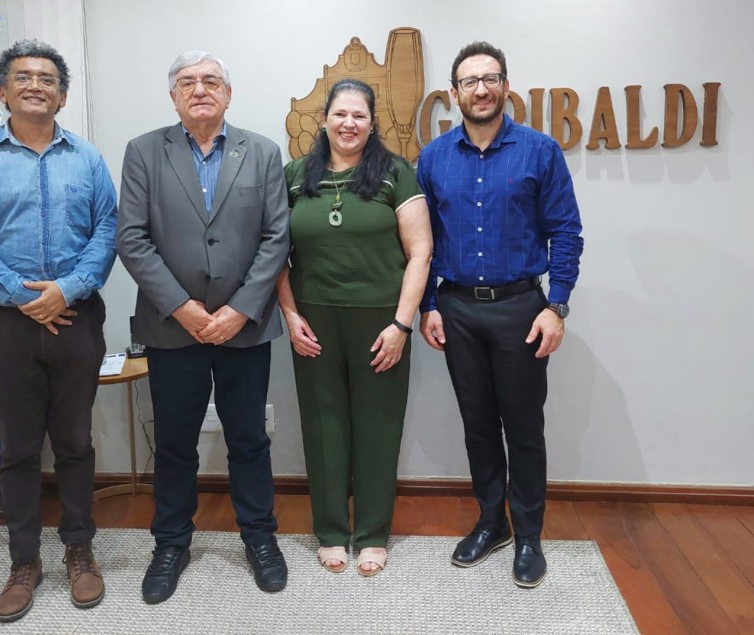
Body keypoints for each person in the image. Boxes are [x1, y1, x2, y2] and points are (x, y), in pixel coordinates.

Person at [0, 40, 117, 621]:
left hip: (76, 317)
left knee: (74, 443)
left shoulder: (87, 158)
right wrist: (24, 297)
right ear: (3, 90)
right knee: (17, 449)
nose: (35, 85)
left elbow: (107, 230)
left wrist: (66, 290)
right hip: (4, 325)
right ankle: (23, 561)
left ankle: (79, 550)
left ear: (62, 94)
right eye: (23, 76)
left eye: (47, 77)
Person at [116, 50, 290, 604]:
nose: (199, 90)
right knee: (174, 443)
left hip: (245, 328)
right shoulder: (144, 151)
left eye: (211, 80)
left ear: (228, 93)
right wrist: (184, 309)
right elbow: (132, 239)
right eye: (187, 82)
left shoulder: (261, 153)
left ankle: (260, 539)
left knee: (248, 440)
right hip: (174, 329)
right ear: (172, 97)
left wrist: (239, 308)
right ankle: (170, 544)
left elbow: (275, 238)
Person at [417, 41, 584, 588]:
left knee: (524, 426)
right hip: (457, 308)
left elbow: (566, 231)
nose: (481, 89)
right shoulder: (434, 158)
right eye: (470, 81)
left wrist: (556, 306)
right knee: (479, 425)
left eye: (490, 79)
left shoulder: (540, 151)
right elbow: (421, 241)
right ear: (453, 93)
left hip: (522, 308)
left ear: (506, 86)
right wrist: (428, 305)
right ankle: (493, 523)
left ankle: (529, 534)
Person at [277, 79, 431, 576]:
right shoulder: (296, 175)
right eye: (340, 114)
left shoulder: (395, 173)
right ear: (324, 119)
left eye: (359, 116)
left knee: (378, 425)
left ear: (372, 122)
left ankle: (370, 533)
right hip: (312, 319)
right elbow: (273, 252)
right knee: (323, 424)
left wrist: (402, 326)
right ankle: (329, 531)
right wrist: (289, 313)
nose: (349, 124)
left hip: (382, 321)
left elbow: (421, 252)